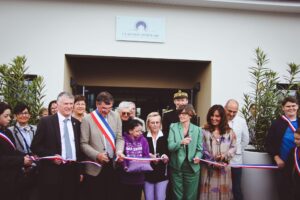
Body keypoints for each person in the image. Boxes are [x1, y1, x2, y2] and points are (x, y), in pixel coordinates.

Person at [31, 92, 82, 200]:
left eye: (71, 104)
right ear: (58, 105)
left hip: (72, 171)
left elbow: (78, 149)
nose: (69, 106)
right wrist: (52, 157)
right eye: (66, 104)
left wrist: (80, 171)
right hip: (53, 172)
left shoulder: (76, 123)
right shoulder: (46, 122)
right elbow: (35, 146)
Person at [80, 91, 124, 200]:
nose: (106, 111)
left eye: (109, 108)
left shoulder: (116, 116)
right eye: (103, 108)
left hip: (112, 164)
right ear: (97, 104)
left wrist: (119, 151)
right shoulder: (87, 119)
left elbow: (119, 138)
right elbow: (83, 143)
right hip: (95, 166)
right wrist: (97, 155)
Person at [199, 105, 236, 200]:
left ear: (222, 117)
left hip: (224, 169)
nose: (214, 118)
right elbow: (201, 148)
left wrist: (224, 156)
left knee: (224, 194)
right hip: (208, 169)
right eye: (212, 115)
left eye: (217, 116)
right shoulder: (203, 130)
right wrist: (213, 162)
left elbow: (234, 147)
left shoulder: (230, 132)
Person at [266, 96, 300, 200]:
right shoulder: (276, 124)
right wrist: (276, 157)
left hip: (298, 166)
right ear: (283, 108)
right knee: (285, 192)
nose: (291, 108)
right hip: (283, 165)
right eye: (288, 106)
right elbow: (268, 143)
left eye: (293, 106)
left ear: (298, 106)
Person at [168, 104, 202, 200]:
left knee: (191, 196)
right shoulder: (173, 127)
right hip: (176, 166)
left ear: (190, 115)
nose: (181, 116)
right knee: (177, 195)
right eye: (180, 114)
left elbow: (199, 149)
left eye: (184, 114)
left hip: (192, 167)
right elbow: (170, 147)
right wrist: (181, 142)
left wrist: (198, 156)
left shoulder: (197, 130)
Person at [0, 102, 33, 200]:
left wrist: (26, 157)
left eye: (9, 116)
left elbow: (13, 151)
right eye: (6, 116)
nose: (9, 119)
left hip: (14, 179)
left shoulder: (6, 132)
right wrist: (21, 160)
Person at [8, 103, 38, 200]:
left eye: (26, 113)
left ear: (29, 115)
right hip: (18, 168)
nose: (23, 115)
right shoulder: (10, 131)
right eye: (20, 113)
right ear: (15, 116)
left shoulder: (35, 129)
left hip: (35, 167)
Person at [224, 99, 249, 200]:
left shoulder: (241, 121)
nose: (232, 113)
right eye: (229, 111)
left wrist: (236, 150)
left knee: (236, 187)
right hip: (220, 159)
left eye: (235, 111)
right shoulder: (218, 119)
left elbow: (245, 139)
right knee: (222, 186)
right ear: (225, 108)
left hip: (236, 160)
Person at [120, 119, 150, 200]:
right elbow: (121, 156)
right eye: (137, 131)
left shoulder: (143, 140)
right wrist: (125, 166)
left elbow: (146, 155)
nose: (140, 133)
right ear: (130, 131)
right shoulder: (123, 140)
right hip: (125, 178)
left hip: (139, 178)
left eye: (141, 131)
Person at [144, 112, 169, 200]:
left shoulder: (166, 136)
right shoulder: (143, 136)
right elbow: (140, 153)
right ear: (148, 124)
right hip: (147, 174)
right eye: (152, 123)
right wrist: (149, 156)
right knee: (149, 198)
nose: (155, 125)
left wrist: (166, 157)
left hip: (162, 173)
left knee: (160, 198)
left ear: (160, 123)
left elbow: (170, 152)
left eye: (157, 122)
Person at [284, 128, 300, 200]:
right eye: (294, 138)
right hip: (295, 188)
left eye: (298, 139)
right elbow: (287, 170)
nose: (295, 141)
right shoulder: (293, 151)